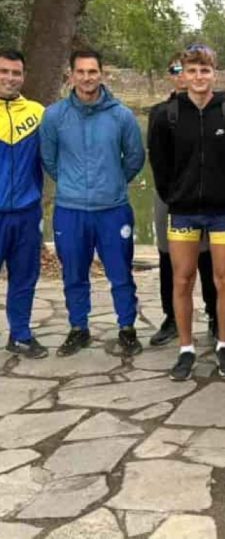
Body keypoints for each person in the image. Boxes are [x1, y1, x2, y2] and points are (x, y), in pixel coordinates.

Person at [148, 44, 225, 381]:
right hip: (184, 212)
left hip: (223, 213)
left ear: (214, 74)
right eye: (191, 70)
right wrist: (176, 197)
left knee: (224, 279)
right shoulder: (166, 116)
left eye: (205, 70)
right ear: (183, 75)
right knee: (182, 278)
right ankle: (186, 348)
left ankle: (224, 343)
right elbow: (159, 166)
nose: (198, 76)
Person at [40, 49, 145, 357]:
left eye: (92, 71)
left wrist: (113, 182)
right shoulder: (55, 116)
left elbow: (135, 157)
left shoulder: (121, 115)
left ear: (102, 74)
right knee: (73, 273)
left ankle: (127, 328)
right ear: (71, 75)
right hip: (70, 210)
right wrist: (71, 184)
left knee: (120, 273)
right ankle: (78, 328)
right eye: (81, 72)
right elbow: (49, 159)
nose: (87, 78)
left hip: (113, 209)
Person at [149, 54, 218, 346]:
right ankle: (171, 317)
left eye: (190, 69)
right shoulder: (160, 113)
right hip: (171, 197)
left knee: (208, 257)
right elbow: (156, 158)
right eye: (177, 69)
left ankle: (215, 314)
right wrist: (172, 195)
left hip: (209, 199)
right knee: (169, 257)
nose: (184, 74)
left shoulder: (219, 111)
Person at [0, 50, 47, 359]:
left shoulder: (38, 113)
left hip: (28, 213)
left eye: (16, 72)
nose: (10, 78)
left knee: (24, 277)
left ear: (24, 76)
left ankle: (20, 335)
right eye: (3, 71)